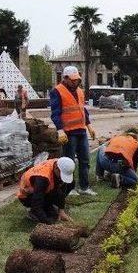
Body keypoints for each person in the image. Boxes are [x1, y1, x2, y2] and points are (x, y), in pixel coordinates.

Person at [50, 65, 98, 196]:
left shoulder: (80, 92)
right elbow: (55, 113)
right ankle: (69, 188)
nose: (75, 82)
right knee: (68, 161)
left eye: (77, 80)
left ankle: (84, 187)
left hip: (81, 131)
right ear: (65, 78)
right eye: (72, 80)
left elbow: (83, 110)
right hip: (68, 133)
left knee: (85, 160)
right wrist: (60, 130)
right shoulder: (57, 91)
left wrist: (89, 126)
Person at [17, 157, 75, 224]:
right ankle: (33, 212)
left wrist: (61, 209)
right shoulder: (42, 179)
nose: (62, 178)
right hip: (27, 196)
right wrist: (48, 224)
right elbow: (36, 204)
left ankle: (49, 205)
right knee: (51, 217)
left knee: (71, 184)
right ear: (56, 168)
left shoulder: (60, 164)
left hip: (42, 188)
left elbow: (63, 188)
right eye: (62, 175)